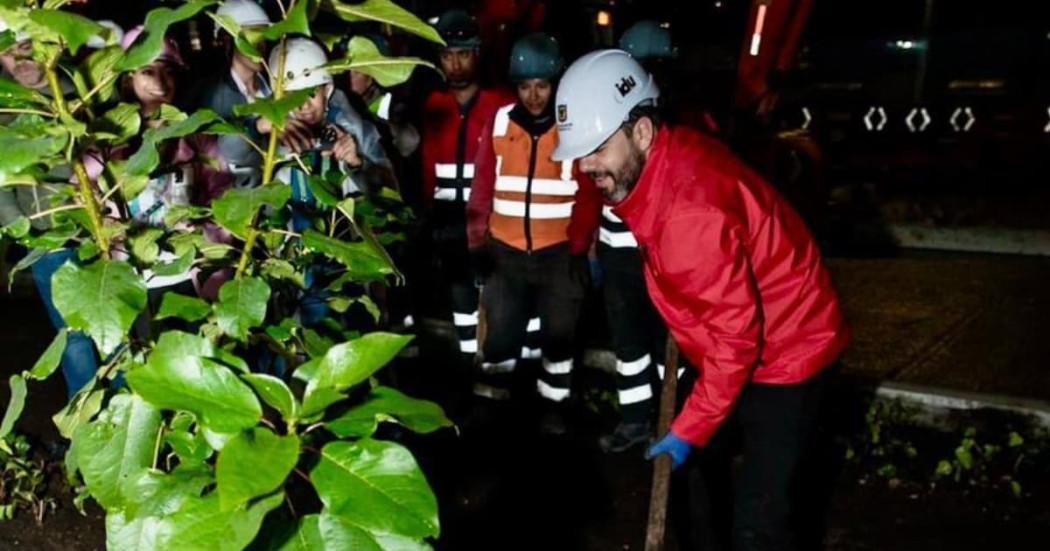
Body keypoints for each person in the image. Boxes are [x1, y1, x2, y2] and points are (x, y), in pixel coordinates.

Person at [552, 50, 850, 550]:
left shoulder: (689, 212)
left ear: (642, 132)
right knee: (701, 480)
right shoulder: (664, 160)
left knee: (762, 516)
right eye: (580, 152)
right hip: (742, 336)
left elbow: (737, 339)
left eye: (597, 149)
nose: (586, 166)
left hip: (791, 350)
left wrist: (689, 428)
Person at [466, 33, 600, 434]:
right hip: (504, 252)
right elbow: (483, 184)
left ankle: (553, 406)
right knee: (501, 335)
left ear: (556, 83)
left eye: (542, 85)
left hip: (558, 253)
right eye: (526, 86)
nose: (534, 95)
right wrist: (477, 242)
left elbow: (589, 193)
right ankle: (490, 402)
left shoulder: (574, 127)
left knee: (559, 338)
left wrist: (579, 250)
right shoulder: (501, 122)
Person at [421, 9, 513, 371]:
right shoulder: (435, 105)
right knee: (459, 290)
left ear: (477, 54)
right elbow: (428, 162)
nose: (454, 63)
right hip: (447, 214)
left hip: (489, 215)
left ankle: (497, 365)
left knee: (495, 290)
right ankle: (465, 361)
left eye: (462, 53)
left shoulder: (501, 104)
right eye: (447, 55)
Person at [197, 0, 274, 188]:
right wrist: (256, 127)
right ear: (226, 41)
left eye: (263, 37)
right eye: (250, 38)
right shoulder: (210, 97)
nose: (260, 45)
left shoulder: (276, 87)